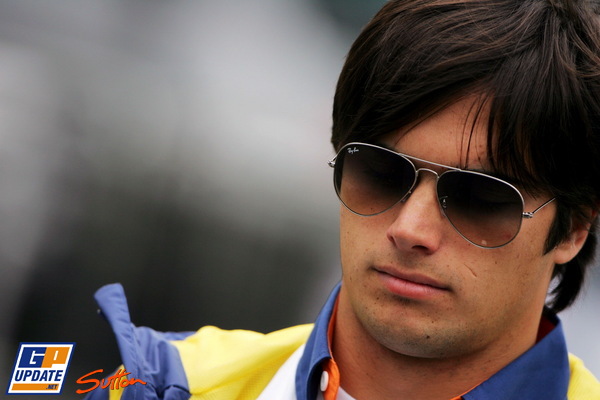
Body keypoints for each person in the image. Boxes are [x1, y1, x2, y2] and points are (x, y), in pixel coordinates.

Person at [85, 0, 600, 398]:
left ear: (574, 229)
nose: (410, 229)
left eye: (479, 198)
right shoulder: (155, 382)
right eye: (381, 172)